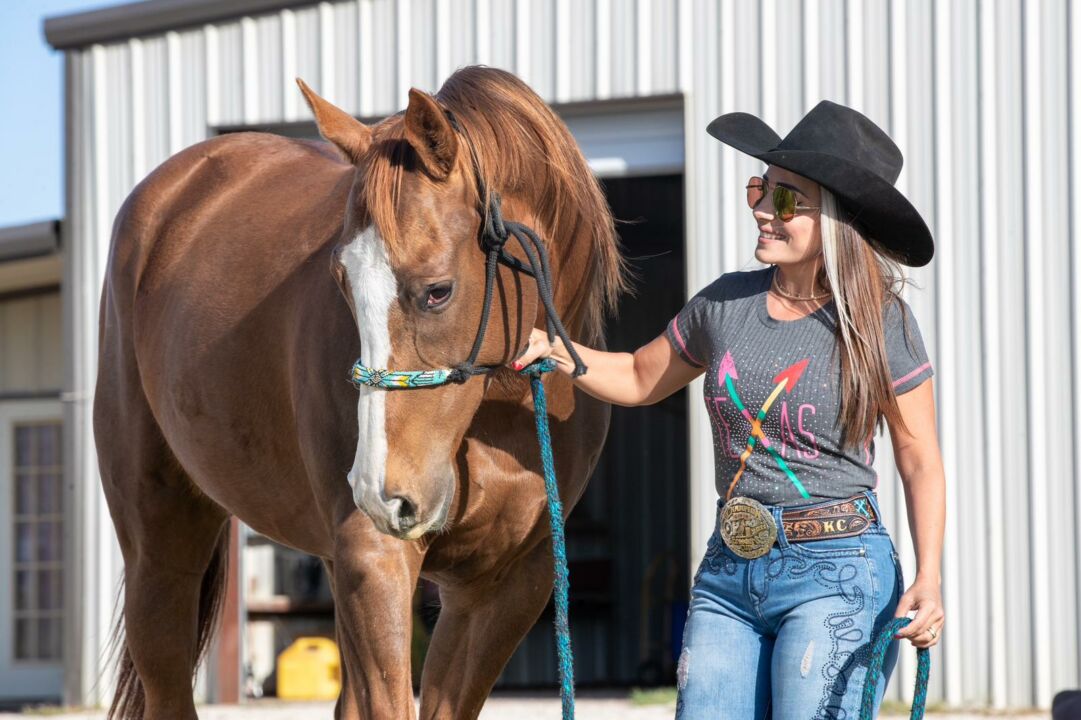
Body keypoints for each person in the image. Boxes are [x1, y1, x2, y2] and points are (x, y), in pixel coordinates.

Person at [509, 100, 946, 718]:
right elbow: (639, 376)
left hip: (840, 569)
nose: (765, 211)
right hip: (728, 573)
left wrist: (929, 576)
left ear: (836, 221)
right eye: (760, 191)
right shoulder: (723, 306)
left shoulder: (881, 323)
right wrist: (560, 351)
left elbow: (918, 455)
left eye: (787, 201)